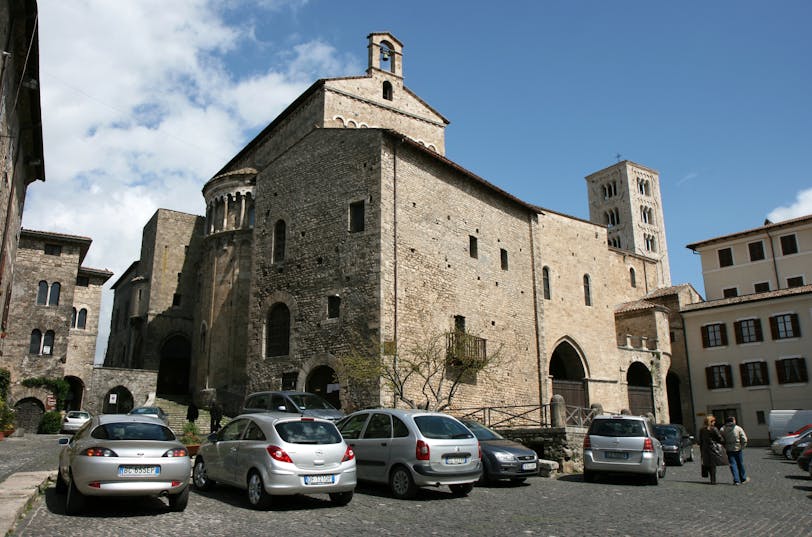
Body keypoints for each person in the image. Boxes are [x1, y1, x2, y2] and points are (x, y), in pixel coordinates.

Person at [699, 415, 728, 485]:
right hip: (713, 448)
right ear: (711, 421)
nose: (715, 422)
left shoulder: (702, 430)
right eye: (714, 421)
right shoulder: (713, 429)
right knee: (713, 465)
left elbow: (700, 440)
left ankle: (711, 478)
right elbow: (720, 438)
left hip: (705, 448)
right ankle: (713, 480)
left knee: (707, 463)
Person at [721, 416, 749, 485]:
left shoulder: (723, 429)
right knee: (740, 464)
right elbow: (744, 439)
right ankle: (743, 478)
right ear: (733, 421)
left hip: (729, 448)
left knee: (732, 464)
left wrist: (724, 446)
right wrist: (743, 446)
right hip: (738, 448)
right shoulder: (738, 428)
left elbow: (721, 439)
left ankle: (736, 480)